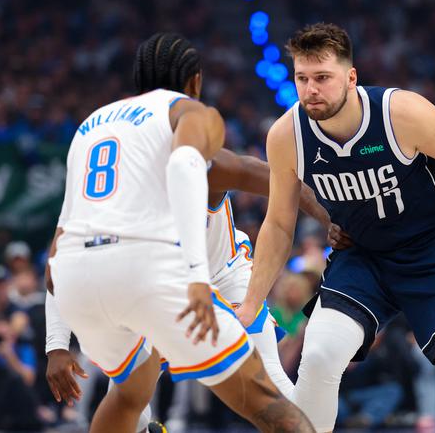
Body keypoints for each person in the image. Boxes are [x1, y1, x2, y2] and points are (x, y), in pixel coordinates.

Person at [236, 23, 435, 433]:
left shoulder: (399, 113)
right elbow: (279, 222)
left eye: (322, 78)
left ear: (351, 78)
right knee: (318, 357)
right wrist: (250, 303)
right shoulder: (286, 135)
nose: (311, 89)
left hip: (432, 250)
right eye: (302, 78)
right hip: (362, 256)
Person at [44, 34, 334, 431]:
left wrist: (57, 343)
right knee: (266, 400)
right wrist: (333, 218)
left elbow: (61, 247)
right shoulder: (186, 122)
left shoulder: (90, 129)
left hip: (213, 278)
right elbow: (237, 173)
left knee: (129, 396)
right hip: (166, 276)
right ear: (195, 83)